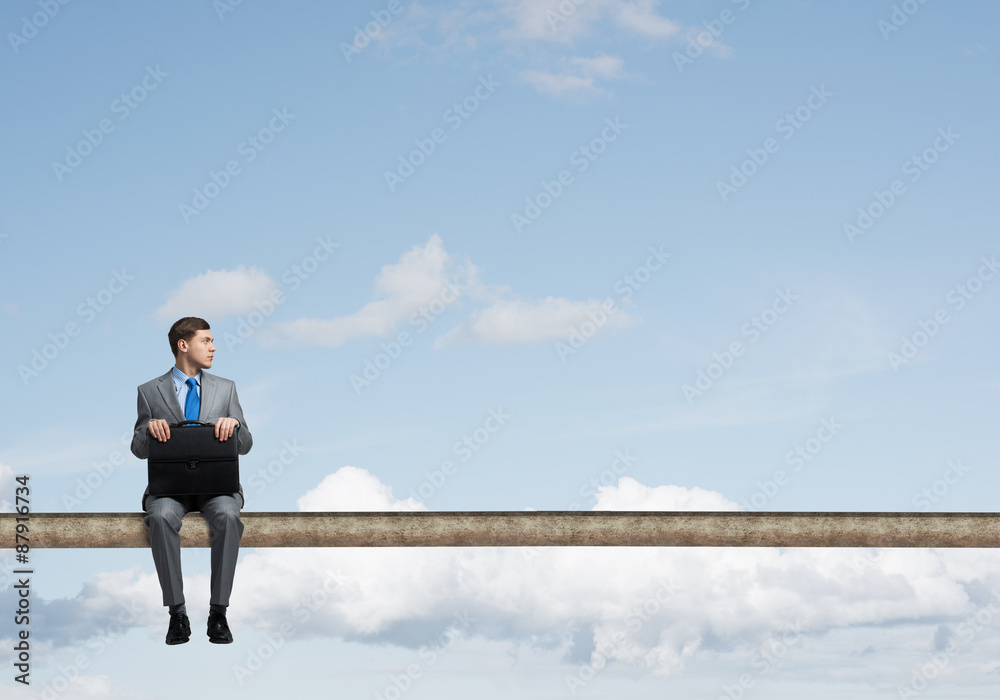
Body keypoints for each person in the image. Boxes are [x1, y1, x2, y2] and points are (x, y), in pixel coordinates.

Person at [130, 317, 253, 645]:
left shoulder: (226, 388)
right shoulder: (148, 391)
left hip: (218, 488)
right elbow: (138, 449)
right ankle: (177, 613)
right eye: (207, 341)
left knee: (228, 516)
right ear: (183, 345)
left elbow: (246, 444)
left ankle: (219, 612)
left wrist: (235, 425)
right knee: (158, 516)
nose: (213, 347)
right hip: (170, 490)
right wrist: (149, 430)